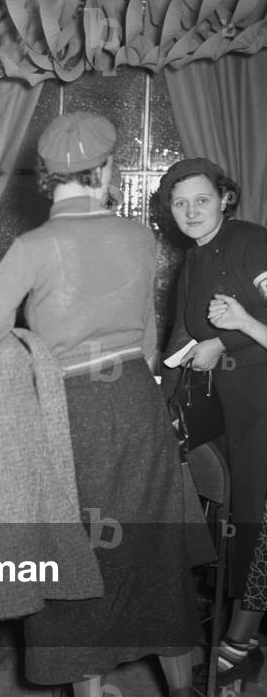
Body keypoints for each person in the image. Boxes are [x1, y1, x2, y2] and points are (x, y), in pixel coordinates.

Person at [0, 112, 202, 697]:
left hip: (68, 411)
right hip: (136, 407)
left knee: (74, 555)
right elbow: (146, 342)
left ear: (46, 177)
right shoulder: (138, 237)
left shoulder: (32, 246)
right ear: (106, 170)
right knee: (153, 553)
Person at [159, 157, 267, 684]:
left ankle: (237, 644)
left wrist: (227, 336)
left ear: (224, 197)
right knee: (231, 521)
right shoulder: (193, 258)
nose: (190, 211)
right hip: (227, 407)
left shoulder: (253, 241)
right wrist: (161, 399)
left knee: (259, 519)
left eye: (201, 199)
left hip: (264, 402)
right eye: (180, 203)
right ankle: (240, 638)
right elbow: (181, 335)